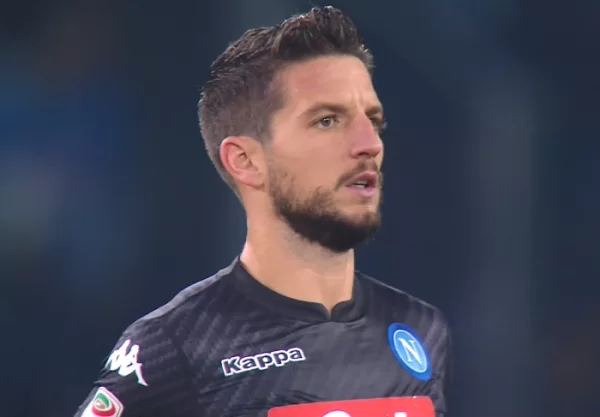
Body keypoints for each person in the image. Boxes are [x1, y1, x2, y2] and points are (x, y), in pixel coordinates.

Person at [75, 6, 452, 417]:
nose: (370, 144)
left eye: (374, 121)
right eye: (327, 121)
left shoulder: (420, 327)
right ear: (246, 161)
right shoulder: (175, 347)